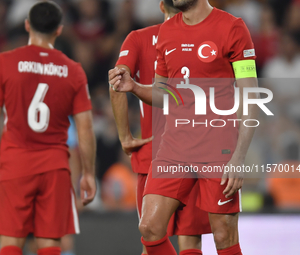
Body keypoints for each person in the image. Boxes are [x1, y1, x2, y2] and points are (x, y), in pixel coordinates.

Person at [109, 0, 259, 254]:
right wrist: (134, 87)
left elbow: (250, 95)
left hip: (218, 148)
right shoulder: (166, 33)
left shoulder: (232, 27)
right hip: (174, 147)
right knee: (149, 227)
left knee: (224, 235)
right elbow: (163, 93)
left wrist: (239, 157)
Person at [0, 2, 96, 255]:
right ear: (59, 30)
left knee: (11, 242)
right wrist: (88, 172)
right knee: (51, 245)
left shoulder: (6, 62)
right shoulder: (73, 70)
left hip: (15, 162)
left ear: (26, 25)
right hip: (55, 167)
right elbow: (85, 128)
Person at [110, 1, 210, 255]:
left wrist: (125, 135)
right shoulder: (203, 37)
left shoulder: (138, 38)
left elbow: (117, 81)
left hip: (152, 153)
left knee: (152, 238)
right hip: (194, 151)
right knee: (191, 241)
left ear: (161, 5)